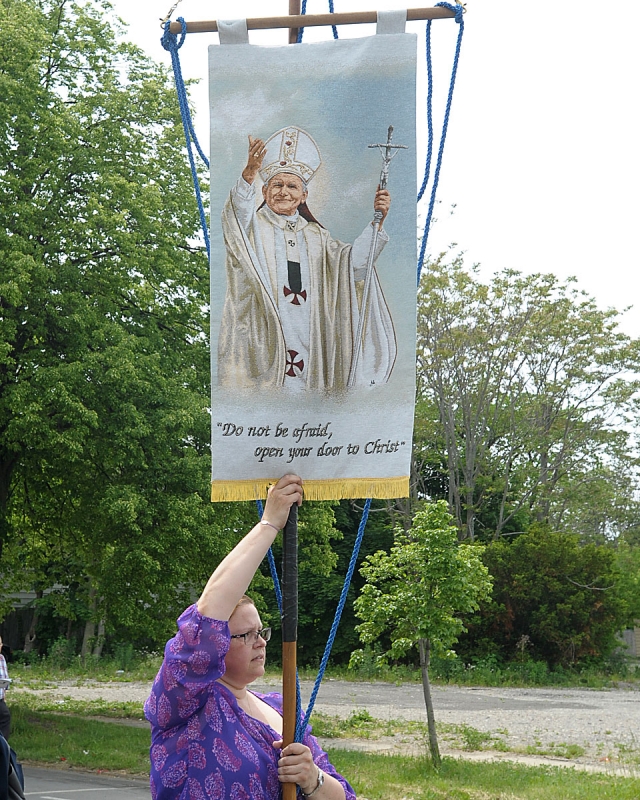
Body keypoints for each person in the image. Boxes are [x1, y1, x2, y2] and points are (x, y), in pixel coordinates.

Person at [144, 474, 355, 800]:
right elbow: (209, 611)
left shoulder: (283, 708)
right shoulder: (186, 702)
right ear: (214, 645)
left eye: (261, 632)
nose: (261, 642)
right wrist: (270, 523)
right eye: (245, 635)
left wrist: (312, 779)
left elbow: (342, 796)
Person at [218, 126, 397, 391]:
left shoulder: (317, 237)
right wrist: (248, 175)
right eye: (277, 185)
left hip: (312, 336)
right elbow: (236, 219)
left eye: (292, 186)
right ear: (264, 191)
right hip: (263, 336)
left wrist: (377, 224)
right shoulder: (253, 227)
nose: (284, 192)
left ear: (304, 196)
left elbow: (353, 267)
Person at [0, 637, 11, 740]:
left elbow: (5, 678)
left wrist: (4, 696)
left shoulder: (2, 658)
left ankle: (3, 746)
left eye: (0, 644)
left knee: (5, 716)